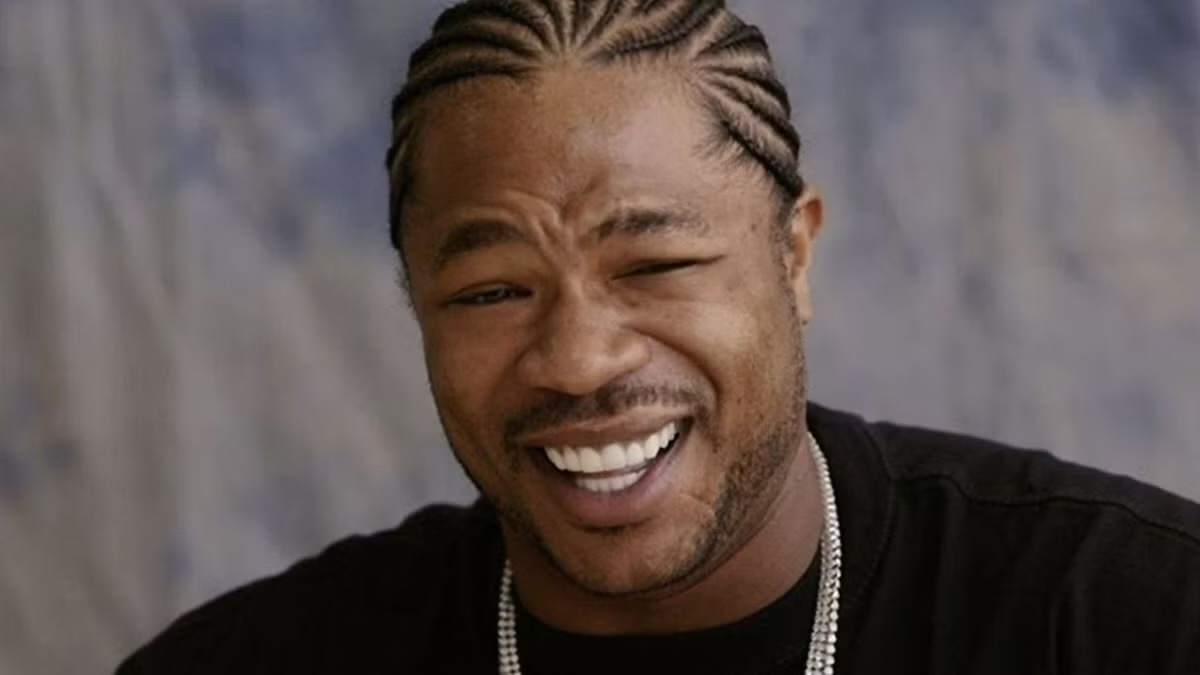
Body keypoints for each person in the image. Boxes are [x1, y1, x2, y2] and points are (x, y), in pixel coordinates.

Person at [117, 1, 1200, 673]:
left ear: (794, 257)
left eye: (655, 266)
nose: (579, 358)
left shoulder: (1127, 621)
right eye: (494, 291)